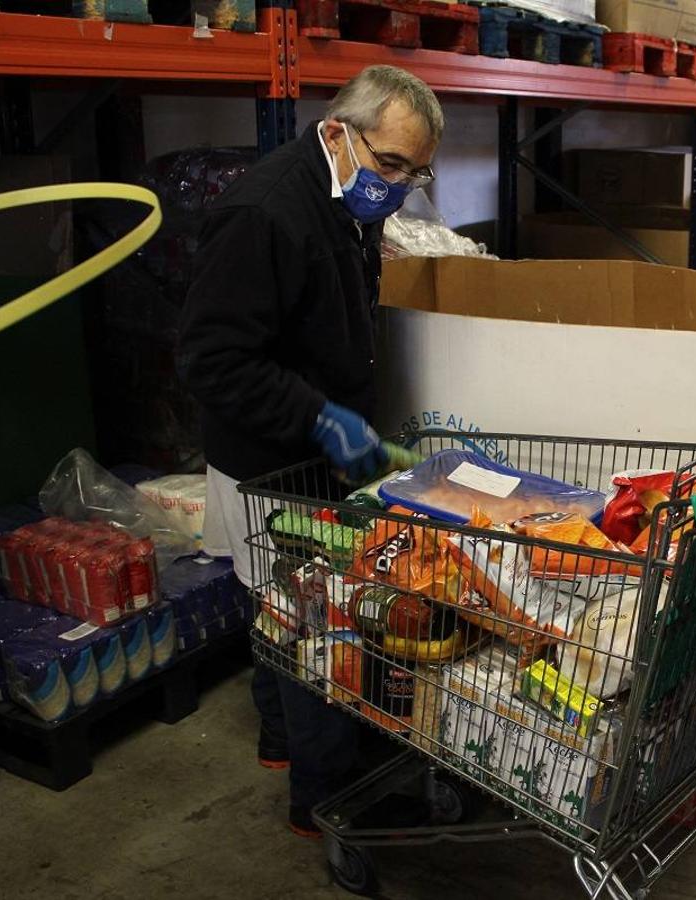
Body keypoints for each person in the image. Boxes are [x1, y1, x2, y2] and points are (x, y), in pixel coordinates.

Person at [177, 65, 444, 835]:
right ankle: (327, 804)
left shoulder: (346, 198)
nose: (396, 185)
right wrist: (319, 416)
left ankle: (279, 741)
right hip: (270, 460)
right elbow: (210, 360)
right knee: (315, 625)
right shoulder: (264, 214)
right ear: (337, 131)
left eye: (413, 172)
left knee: (279, 606)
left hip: (310, 447)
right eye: (389, 163)